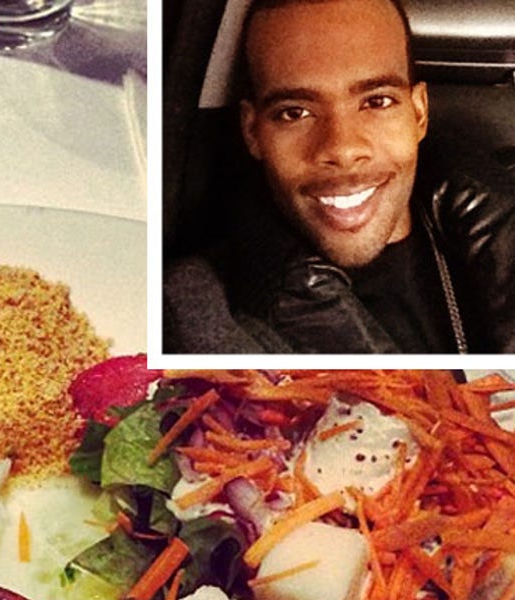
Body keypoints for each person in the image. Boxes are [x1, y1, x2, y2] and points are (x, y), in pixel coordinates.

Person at [163, 0, 515, 354]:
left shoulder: (495, 225)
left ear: (419, 113)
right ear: (252, 131)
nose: (342, 149)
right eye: (295, 113)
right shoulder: (193, 316)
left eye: (376, 102)